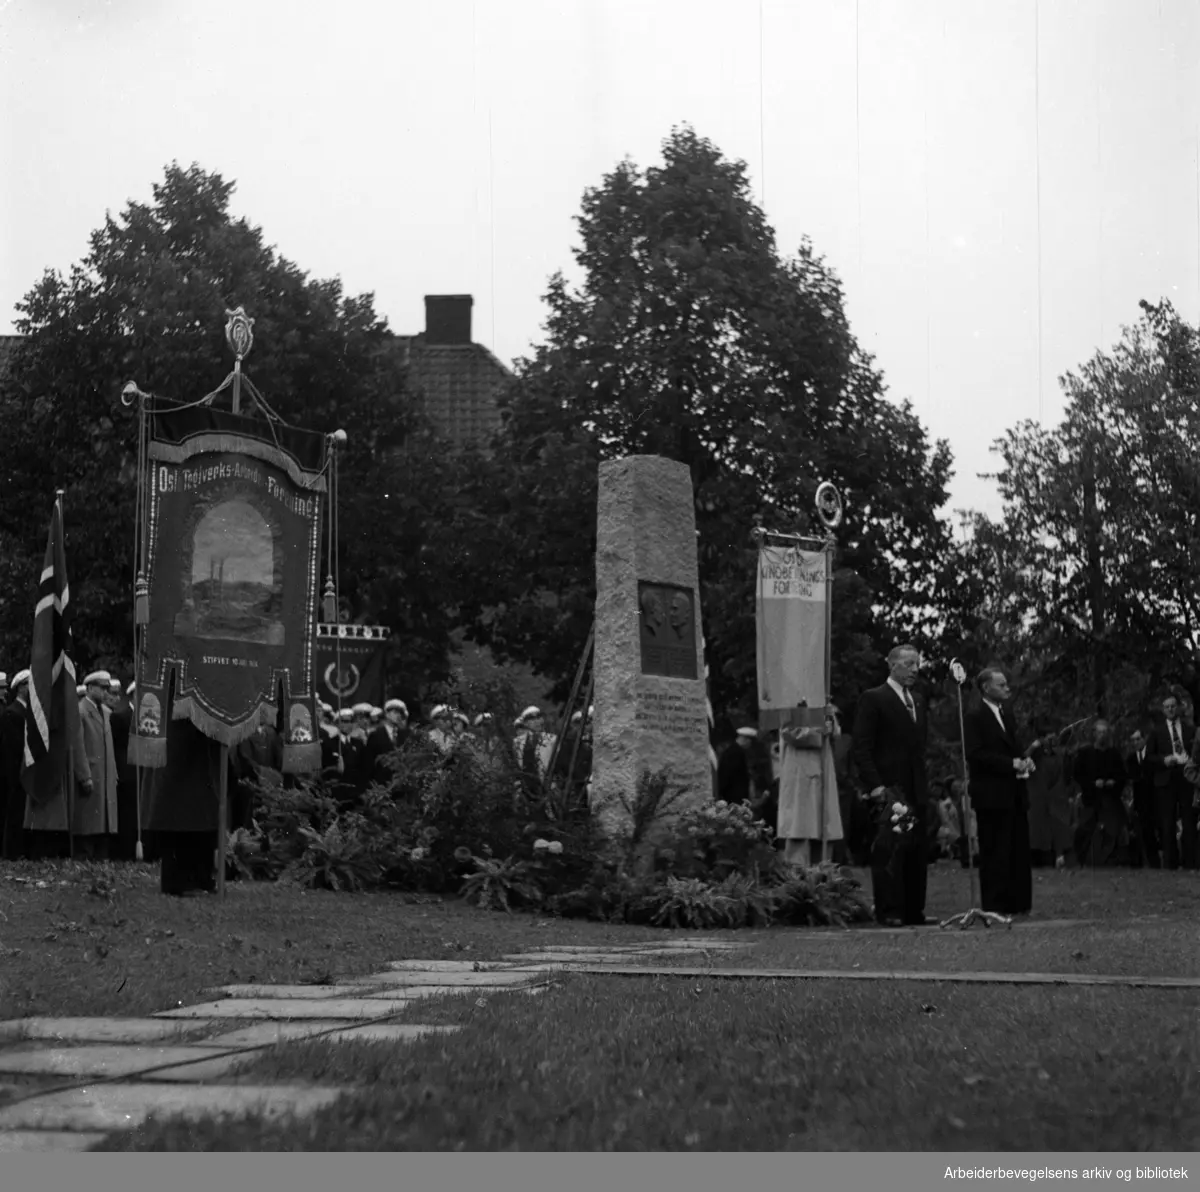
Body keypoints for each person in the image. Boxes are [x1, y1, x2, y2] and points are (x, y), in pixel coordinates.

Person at [852, 644, 932, 926]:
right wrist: (875, 786)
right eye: (909, 664)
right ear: (892, 665)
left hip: (916, 786)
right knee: (891, 847)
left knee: (915, 848)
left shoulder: (919, 700)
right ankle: (890, 909)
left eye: (917, 664)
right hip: (889, 788)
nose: (915, 670)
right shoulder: (874, 698)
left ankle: (914, 909)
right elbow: (862, 747)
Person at [963, 667, 1034, 916]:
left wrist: (1024, 761)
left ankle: (1018, 901)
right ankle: (995, 902)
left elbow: (1014, 746)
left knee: (1016, 848)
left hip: (1013, 792)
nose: (1007, 688)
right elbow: (975, 754)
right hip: (991, 793)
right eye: (1001, 685)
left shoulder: (1007, 713)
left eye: (1006, 684)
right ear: (986, 687)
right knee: (995, 849)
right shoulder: (975, 716)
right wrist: (1009, 764)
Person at [777, 710, 843, 867]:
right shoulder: (790, 702)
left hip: (823, 769)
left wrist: (831, 726)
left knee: (824, 828)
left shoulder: (824, 702)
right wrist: (819, 731)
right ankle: (797, 882)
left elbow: (836, 732)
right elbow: (788, 732)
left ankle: (822, 879)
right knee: (799, 828)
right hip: (800, 770)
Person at [1147, 693, 1198, 869]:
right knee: (1167, 821)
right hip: (1166, 777)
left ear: (1178, 708)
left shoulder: (1189, 729)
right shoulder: (1156, 731)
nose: (1170, 709)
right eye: (1167, 707)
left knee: (1189, 819)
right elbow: (1149, 758)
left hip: (1185, 776)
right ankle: (1170, 863)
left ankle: (1190, 862)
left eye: (1173, 706)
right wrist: (1163, 760)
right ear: (1163, 710)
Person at [1073, 719, 1130, 867]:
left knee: (1114, 829)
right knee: (1084, 829)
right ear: (1094, 734)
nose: (1102, 735)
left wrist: (1113, 782)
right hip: (1091, 798)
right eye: (1099, 732)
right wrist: (1092, 784)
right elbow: (1078, 775)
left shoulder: (1114, 754)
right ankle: (1082, 861)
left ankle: (1109, 861)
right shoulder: (1085, 753)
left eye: (1105, 732)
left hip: (1110, 798)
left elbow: (1123, 776)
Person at [1025, 718, 1075, 868]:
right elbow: (1020, 763)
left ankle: (1059, 857)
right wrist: (1033, 748)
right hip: (1037, 802)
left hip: (1056, 801)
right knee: (1037, 835)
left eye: (1054, 737)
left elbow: (1066, 776)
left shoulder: (1060, 756)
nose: (1052, 741)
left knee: (1058, 831)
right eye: (1049, 738)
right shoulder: (1034, 756)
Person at [107, 678, 140, 861]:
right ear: (134, 695)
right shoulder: (120, 717)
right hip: (126, 772)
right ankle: (125, 852)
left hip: (141, 771)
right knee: (126, 815)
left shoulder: (147, 718)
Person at [0, 669, 30, 859]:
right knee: (13, 811)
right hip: (13, 770)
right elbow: (13, 747)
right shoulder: (13, 713)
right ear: (21, 688)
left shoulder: (25, 711)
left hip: (22, 770)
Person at [1126, 728, 1158, 868]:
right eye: (1133, 740)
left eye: (1138, 739)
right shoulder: (1131, 759)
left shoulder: (1153, 756)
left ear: (1144, 739)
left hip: (1155, 800)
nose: (1136, 742)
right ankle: (1147, 863)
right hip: (1140, 802)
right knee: (1143, 833)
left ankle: (1160, 862)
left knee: (1158, 832)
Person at [716, 727, 756, 805]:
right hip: (734, 797)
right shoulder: (735, 753)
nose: (750, 744)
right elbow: (727, 775)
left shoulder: (733, 751)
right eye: (750, 741)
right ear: (746, 740)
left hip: (733, 796)